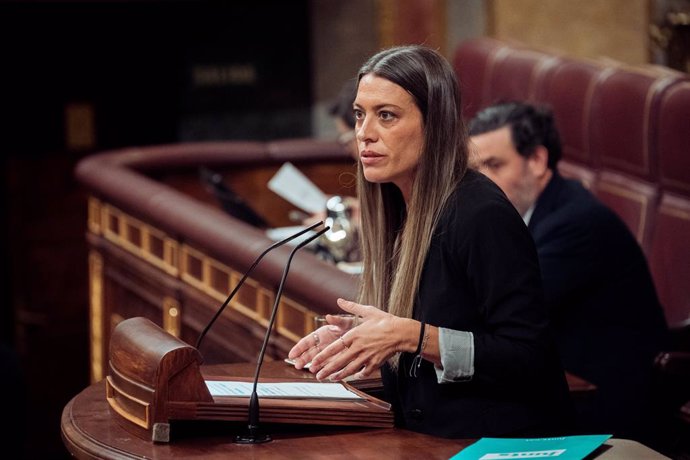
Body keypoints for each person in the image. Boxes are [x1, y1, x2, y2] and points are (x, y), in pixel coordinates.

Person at [289, 45, 574, 439]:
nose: (364, 134)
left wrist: (410, 337)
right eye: (359, 115)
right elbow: (446, 318)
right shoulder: (395, 203)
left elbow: (528, 357)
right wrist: (359, 338)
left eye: (386, 116)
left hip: (500, 442)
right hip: (426, 436)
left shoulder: (480, 213)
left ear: (434, 124)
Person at [467, 101, 670, 443]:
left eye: (494, 165)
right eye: (476, 169)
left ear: (537, 161)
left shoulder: (576, 224)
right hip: (549, 384)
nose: (482, 180)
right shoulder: (526, 214)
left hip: (600, 406)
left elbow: (500, 312)